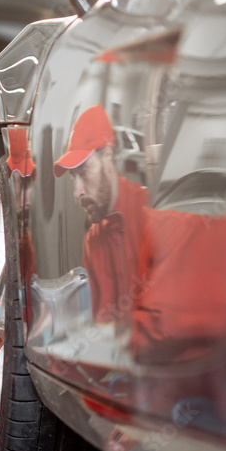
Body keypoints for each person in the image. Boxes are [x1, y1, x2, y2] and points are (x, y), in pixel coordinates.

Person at [54, 104, 149, 331]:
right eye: (73, 177)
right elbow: (103, 327)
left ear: (108, 155)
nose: (78, 192)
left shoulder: (152, 215)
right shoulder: (94, 239)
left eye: (84, 171)